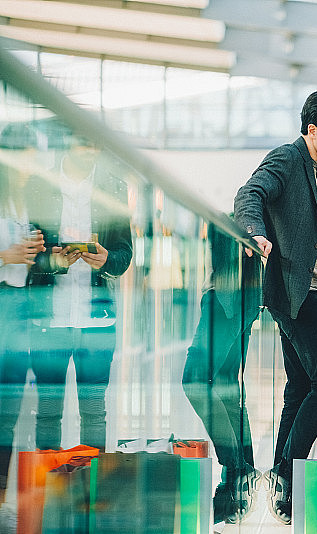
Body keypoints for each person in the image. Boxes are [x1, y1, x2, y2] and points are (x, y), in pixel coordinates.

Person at [233, 90, 317, 525]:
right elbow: (250, 193)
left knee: (301, 388)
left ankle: (280, 483)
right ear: (312, 130)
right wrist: (253, 230)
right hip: (300, 295)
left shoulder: (311, 166)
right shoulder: (287, 159)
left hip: (303, 293)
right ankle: (287, 475)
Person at [26, 128, 132, 453]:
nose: (91, 148)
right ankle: (47, 491)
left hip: (97, 320)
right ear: (66, 141)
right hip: (48, 319)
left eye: (96, 142)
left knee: (94, 413)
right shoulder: (39, 185)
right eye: (85, 139)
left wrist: (106, 261)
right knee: (46, 414)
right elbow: (28, 256)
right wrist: (54, 262)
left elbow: (124, 254)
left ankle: (89, 492)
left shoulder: (114, 188)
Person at [181, 219, 262, 525]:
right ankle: (238, 480)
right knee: (227, 387)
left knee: (195, 380)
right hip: (244, 299)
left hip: (225, 298)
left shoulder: (240, 210)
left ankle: (237, 470)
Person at [0, 122, 46, 503]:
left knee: (12, 409)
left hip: (17, 310)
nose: (31, 169)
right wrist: (5, 256)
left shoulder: (25, 198)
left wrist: (36, 249)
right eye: (26, 161)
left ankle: (2, 491)